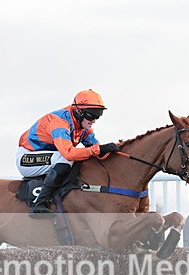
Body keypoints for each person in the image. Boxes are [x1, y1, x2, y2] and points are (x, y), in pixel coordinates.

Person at [17, 89, 120, 217]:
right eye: (91, 115)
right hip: (27, 157)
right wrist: (98, 150)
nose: (94, 120)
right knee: (67, 159)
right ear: (78, 111)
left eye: (98, 115)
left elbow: (96, 150)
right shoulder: (59, 123)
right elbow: (69, 154)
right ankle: (39, 204)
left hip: (50, 156)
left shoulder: (82, 127)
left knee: (81, 158)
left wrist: (114, 148)